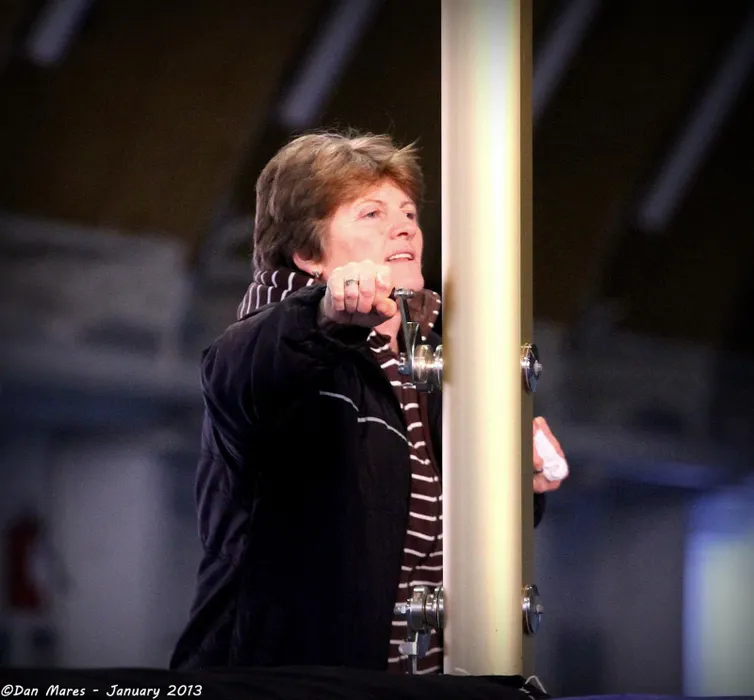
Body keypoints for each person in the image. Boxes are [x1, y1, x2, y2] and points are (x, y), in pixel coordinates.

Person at [169, 130, 568, 674]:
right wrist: (326, 312)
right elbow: (251, 364)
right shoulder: (270, 347)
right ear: (309, 254)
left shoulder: (435, 365)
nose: (404, 227)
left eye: (408, 213)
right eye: (372, 214)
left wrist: (518, 482)